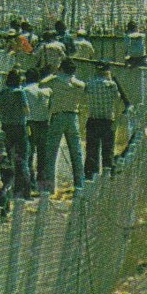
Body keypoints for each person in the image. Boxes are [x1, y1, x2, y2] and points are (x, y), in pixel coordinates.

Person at [41, 59, 86, 194]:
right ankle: (80, 184)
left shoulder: (55, 80)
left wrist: (54, 73)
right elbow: (80, 85)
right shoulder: (79, 84)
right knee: (76, 152)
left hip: (58, 116)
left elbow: (41, 83)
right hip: (73, 116)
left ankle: (50, 187)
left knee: (51, 153)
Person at [83, 62, 130, 180]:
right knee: (108, 151)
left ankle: (90, 177)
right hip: (107, 121)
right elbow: (118, 99)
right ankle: (107, 176)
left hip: (93, 120)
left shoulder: (89, 84)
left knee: (91, 151)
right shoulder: (112, 85)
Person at [0, 69, 32, 198]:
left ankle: (3, 190)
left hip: (6, 127)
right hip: (19, 127)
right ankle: (24, 192)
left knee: (4, 159)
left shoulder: (2, 92)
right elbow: (26, 111)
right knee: (22, 160)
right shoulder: (20, 92)